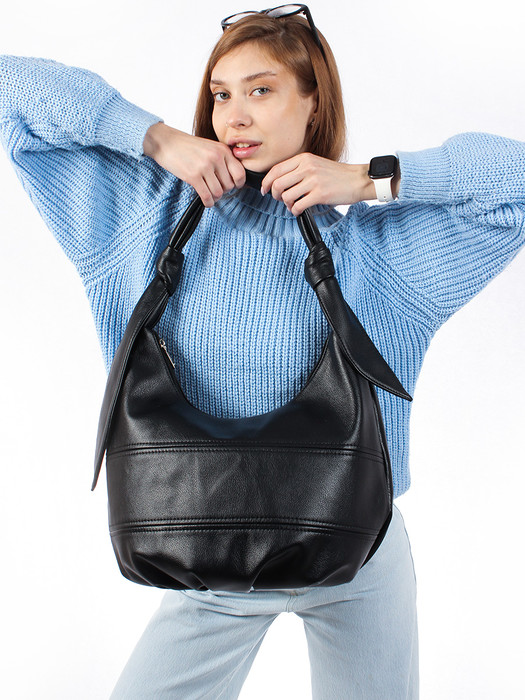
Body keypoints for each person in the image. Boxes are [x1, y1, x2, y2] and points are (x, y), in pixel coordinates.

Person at [1, 5, 524, 699]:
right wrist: (156, 138)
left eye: (261, 89)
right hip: (205, 552)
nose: (235, 115)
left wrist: (369, 180)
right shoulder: (141, 217)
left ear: (314, 105)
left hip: (356, 548)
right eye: (221, 94)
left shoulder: (377, 252)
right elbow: (11, 84)